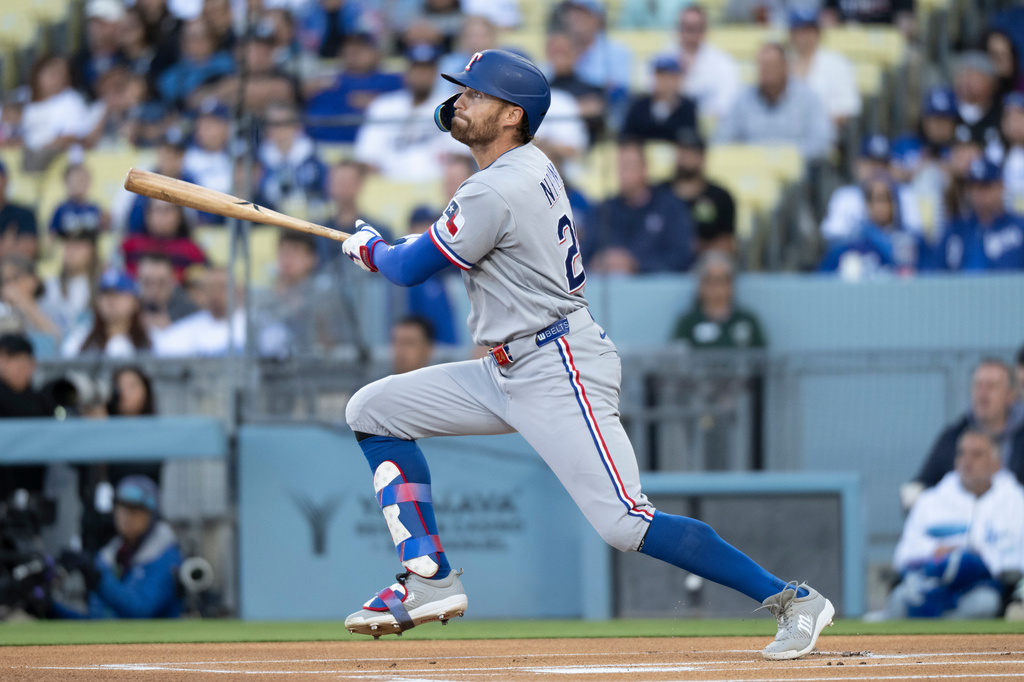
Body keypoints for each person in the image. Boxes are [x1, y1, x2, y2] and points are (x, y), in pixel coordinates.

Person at [338, 48, 834, 659]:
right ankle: (428, 578)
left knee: (627, 523)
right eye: (460, 91)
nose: (460, 100)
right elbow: (450, 239)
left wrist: (370, 249)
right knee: (374, 411)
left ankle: (793, 600)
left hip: (555, 365)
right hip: (507, 366)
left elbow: (410, 269)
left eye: (475, 93)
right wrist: (395, 244)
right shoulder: (522, 168)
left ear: (513, 116)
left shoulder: (498, 185)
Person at [873, 430, 1024, 620]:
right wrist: (935, 551)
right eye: (961, 453)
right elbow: (902, 556)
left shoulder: (1015, 502)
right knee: (899, 599)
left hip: (978, 588)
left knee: (985, 603)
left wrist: (976, 558)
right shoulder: (930, 500)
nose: (967, 460)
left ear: (996, 463)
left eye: (977, 454)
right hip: (929, 585)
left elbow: (1016, 562)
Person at [52, 475, 184, 619]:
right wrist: (49, 608)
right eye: (122, 507)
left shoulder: (166, 555)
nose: (127, 516)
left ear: (152, 514)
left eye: (135, 509)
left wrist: (98, 579)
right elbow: (98, 620)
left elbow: (142, 610)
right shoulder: (108, 556)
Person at [906, 359, 1024, 501]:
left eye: (992, 386)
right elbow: (926, 482)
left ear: (1011, 395)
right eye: (978, 386)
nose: (983, 394)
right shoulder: (953, 437)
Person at [353, 44, 457, 181]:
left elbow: (460, 156)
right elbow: (367, 157)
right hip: (388, 187)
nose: (422, 76)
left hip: (438, 185)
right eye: (417, 70)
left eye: (427, 70)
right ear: (406, 73)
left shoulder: (453, 105)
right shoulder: (383, 105)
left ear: (436, 74)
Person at [715, 42, 833, 162]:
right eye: (763, 66)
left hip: (801, 172)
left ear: (785, 67)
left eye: (773, 65)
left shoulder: (808, 97)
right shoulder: (742, 99)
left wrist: (784, 158)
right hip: (752, 171)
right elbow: (722, 140)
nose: (768, 71)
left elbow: (822, 140)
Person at [589, 143, 696, 274]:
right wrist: (597, 262)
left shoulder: (670, 207)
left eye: (628, 166)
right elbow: (583, 254)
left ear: (645, 169)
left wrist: (636, 265)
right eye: (619, 167)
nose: (622, 173)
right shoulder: (604, 210)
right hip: (610, 288)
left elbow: (682, 256)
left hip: (658, 290)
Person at [818, 175, 930, 277]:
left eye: (888, 199)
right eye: (878, 199)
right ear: (868, 204)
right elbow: (822, 280)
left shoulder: (912, 243)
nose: (882, 206)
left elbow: (931, 276)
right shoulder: (851, 245)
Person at [820, 134, 923, 244]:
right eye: (870, 164)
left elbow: (917, 233)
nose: (876, 170)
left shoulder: (907, 194)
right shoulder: (845, 196)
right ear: (857, 166)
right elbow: (831, 232)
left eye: (882, 165)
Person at [304, 32, 404, 144]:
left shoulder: (396, 81)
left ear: (376, 53)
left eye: (359, 50)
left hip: (382, 145)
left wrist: (378, 103)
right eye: (348, 51)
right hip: (326, 144)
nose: (353, 55)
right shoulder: (325, 83)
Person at [933, 158, 1024, 271]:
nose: (979, 193)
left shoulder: (1020, 227)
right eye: (974, 187)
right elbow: (935, 274)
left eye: (985, 186)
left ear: (1001, 186)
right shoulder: (956, 231)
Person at [663, 128, 736, 255]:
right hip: (661, 263)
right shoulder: (659, 193)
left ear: (702, 157)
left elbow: (728, 244)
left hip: (705, 262)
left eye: (691, 151)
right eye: (681, 150)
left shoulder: (720, 197)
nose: (684, 156)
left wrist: (698, 246)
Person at [673, 250, 765, 349]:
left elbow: (763, 360)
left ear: (731, 284)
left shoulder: (747, 320)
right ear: (700, 284)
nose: (716, 287)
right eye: (709, 280)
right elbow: (676, 360)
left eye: (721, 280)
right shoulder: (687, 323)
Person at [787, 9, 860, 129]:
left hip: (826, 134)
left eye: (808, 31)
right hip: (784, 135)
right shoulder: (781, 63)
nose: (803, 37)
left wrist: (815, 130)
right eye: (798, 31)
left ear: (818, 33)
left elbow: (845, 110)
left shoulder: (837, 63)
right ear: (791, 35)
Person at [257, 101, 328, 219]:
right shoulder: (259, 158)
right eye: (272, 124)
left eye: (283, 124)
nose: (277, 129)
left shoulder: (313, 156)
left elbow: (324, 192)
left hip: (310, 219)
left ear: (297, 126)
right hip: (271, 219)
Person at [153, 265, 245, 357]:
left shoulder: (250, 326)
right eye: (210, 288)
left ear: (237, 290)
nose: (215, 294)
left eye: (222, 287)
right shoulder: (189, 327)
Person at [62, 269, 152, 358]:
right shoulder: (79, 339)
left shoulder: (151, 340)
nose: (111, 300)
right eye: (105, 294)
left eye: (118, 294)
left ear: (135, 302)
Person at [676, 5, 740, 122]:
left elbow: (727, 106)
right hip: (672, 131)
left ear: (705, 30)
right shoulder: (662, 60)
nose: (690, 34)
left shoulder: (724, 64)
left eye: (695, 28)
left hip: (712, 131)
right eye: (686, 27)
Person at [121, 199, 208, 281]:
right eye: (157, 210)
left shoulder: (193, 251)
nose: (162, 216)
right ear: (147, 214)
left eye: (167, 210)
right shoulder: (130, 246)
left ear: (179, 215)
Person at [619, 55, 697, 144]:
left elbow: (692, 141)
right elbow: (626, 137)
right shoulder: (638, 105)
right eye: (660, 76)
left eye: (670, 77)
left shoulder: (688, 107)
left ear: (679, 80)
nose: (664, 81)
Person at [0, 255, 63, 352]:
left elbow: (58, 339)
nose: (9, 286)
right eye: (4, 281)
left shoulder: (52, 306)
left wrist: (23, 302)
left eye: (15, 278)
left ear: (33, 279)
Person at [136, 252, 199, 334]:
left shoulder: (190, 312)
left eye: (161, 283)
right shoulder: (130, 309)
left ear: (174, 280)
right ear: (137, 280)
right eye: (147, 282)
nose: (154, 290)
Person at [0, 161, 39, 262]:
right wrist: (8, 245)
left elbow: (28, 251)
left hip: (16, 274)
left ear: (6, 181)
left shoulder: (24, 213)